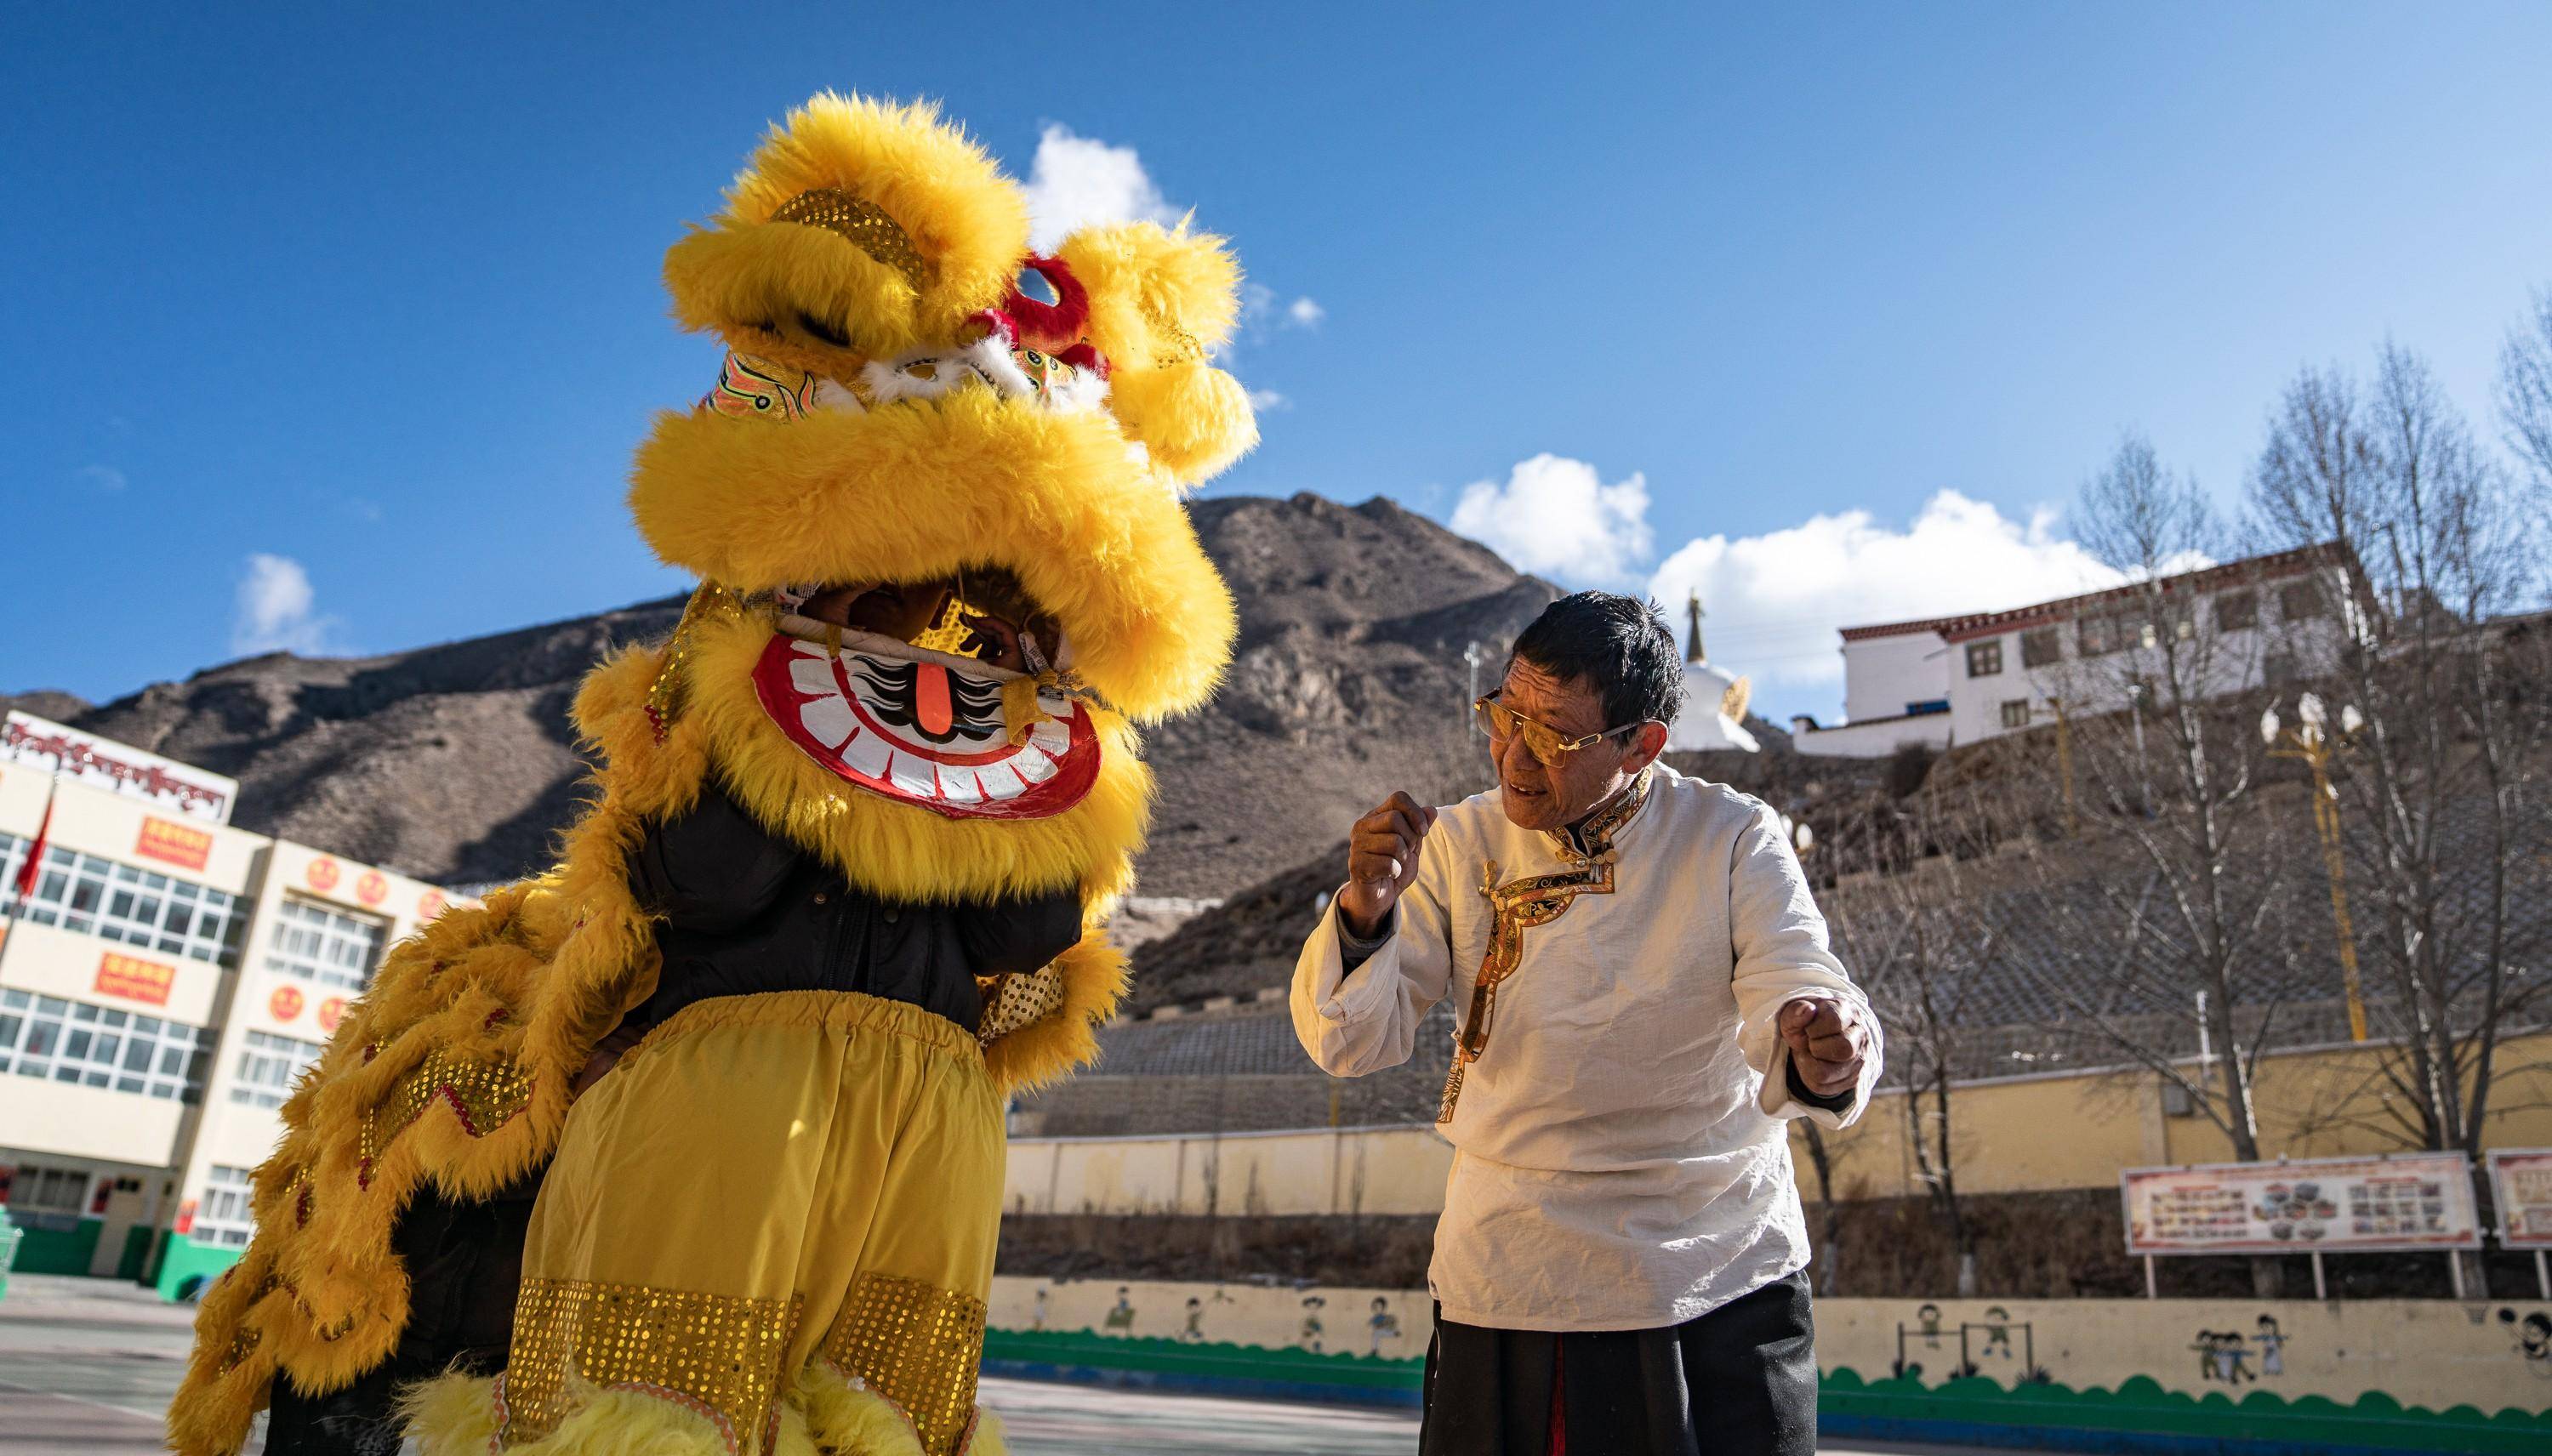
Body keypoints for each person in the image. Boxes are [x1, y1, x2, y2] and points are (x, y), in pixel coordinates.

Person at [1291, 591, 1878, 1456]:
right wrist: (1364, 911)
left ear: (1642, 744)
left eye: (1556, 736)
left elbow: (1796, 978)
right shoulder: (1454, 845)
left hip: (1711, 1265)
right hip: (1510, 1266)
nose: (1513, 755)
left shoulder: (1729, 836)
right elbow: (1349, 1041)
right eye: (1504, 714)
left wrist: (1827, 1048)